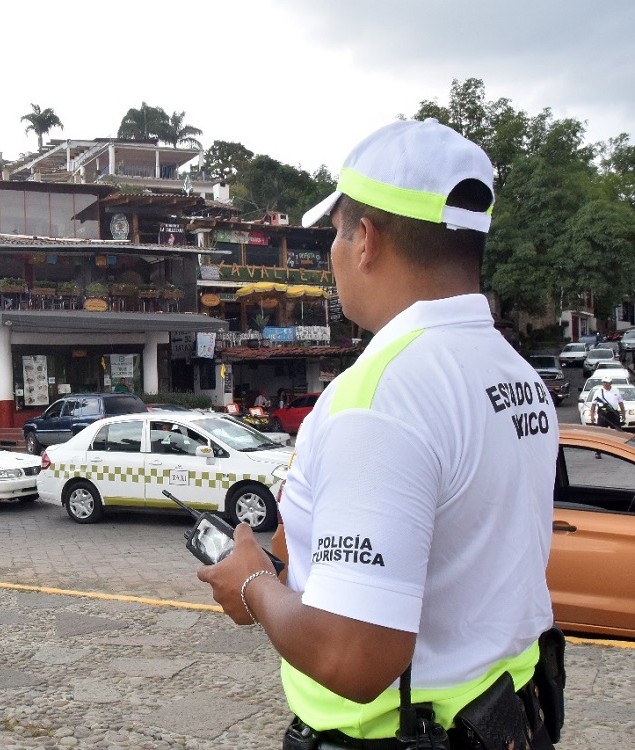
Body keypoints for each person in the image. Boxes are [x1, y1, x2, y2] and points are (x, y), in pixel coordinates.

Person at [197, 120, 561, 748]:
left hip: (407, 733)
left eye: (335, 235)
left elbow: (355, 657)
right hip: (506, 719)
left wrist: (252, 581)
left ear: (364, 239)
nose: (333, 256)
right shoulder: (514, 371)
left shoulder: (381, 395)